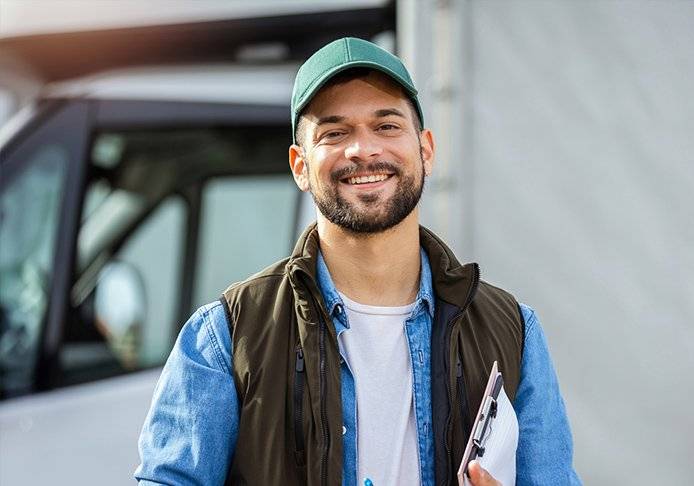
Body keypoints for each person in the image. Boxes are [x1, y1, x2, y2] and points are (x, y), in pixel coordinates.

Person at [136, 37, 580, 486]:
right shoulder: (226, 336)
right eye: (334, 132)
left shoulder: (515, 331)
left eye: (386, 126)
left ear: (425, 149)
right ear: (300, 165)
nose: (363, 150)